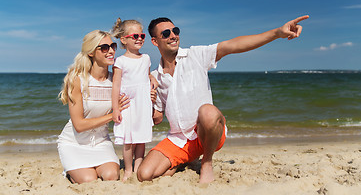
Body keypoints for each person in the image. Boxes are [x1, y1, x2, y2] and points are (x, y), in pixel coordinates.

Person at [137, 15, 309, 184]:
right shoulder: (155, 76)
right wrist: (148, 101)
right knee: (144, 175)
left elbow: (233, 45)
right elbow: (157, 118)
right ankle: (186, 160)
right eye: (166, 33)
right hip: (179, 139)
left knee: (207, 111)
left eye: (175, 31)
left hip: (207, 135)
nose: (173, 35)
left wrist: (277, 33)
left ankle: (206, 162)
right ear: (155, 41)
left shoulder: (196, 55)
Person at [57, 30, 130, 184]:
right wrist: (113, 115)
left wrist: (151, 79)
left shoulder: (115, 80)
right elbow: (79, 125)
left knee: (111, 176)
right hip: (73, 143)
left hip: (101, 142)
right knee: (89, 179)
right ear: (91, 52)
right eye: (104, 47)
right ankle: (71, 171)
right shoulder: (78, 80)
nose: (111, 51)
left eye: (113, 46)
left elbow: (137, 80)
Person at [111, 18, 158, 181]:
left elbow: (146, 74)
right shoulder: (120, 61)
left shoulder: (146, 58)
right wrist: (115, 108)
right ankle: (128, 169)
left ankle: (138, 166)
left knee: (141, 138)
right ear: (123, 39)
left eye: (142, 36)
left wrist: (152, 78)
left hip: (143, 103)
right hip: (128, 103)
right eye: (135, 36)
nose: (139, 38)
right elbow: (116, 85)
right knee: (128, 139)